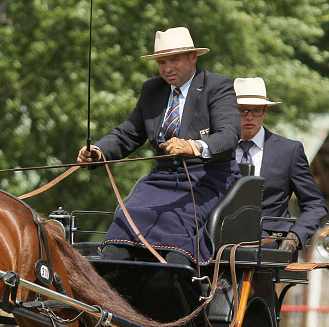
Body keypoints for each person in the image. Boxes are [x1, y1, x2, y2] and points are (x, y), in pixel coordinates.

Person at [77, 27, 241, 266]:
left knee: (176, 225)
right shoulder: (152, 90)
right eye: (161, 62)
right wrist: (98, 152)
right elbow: (128, 134)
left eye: (174, 59)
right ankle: (116, 290)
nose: (167, 68)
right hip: (161, 178)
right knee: (124, 221)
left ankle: (180, 283)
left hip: (207, 178)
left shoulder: (216, 86)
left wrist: (194, 146)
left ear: (193, 57)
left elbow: (228, 135)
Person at [234, 77, 328, 253]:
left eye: (256, 111)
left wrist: (295, 236)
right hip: (218, 244)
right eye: (243, 110)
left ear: (265, 111)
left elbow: (315, 204)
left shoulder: (289, 151)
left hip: (269, 245)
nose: (249, 117)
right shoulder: (217, 149)